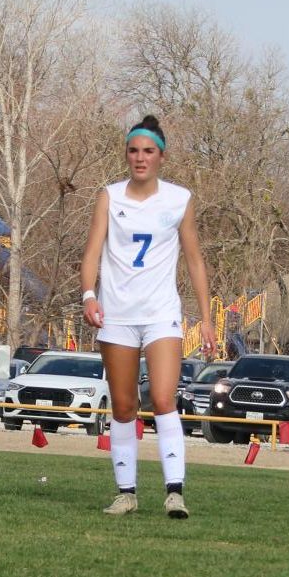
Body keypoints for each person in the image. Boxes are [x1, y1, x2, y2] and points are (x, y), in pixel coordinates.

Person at [80, 115, 215, 519]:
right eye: (133, 150)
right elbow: (91, 253)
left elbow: (194, 260)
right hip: (117, 314)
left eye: (148, 152)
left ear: (161, 157)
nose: (140, 158)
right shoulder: (109, 196)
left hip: (161, 314)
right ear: (127, 154)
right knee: (123, 406)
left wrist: (206, 318)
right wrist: (89, 296)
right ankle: (127, 493)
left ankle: (175, 492)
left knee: (162, 398)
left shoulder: (179, 199)